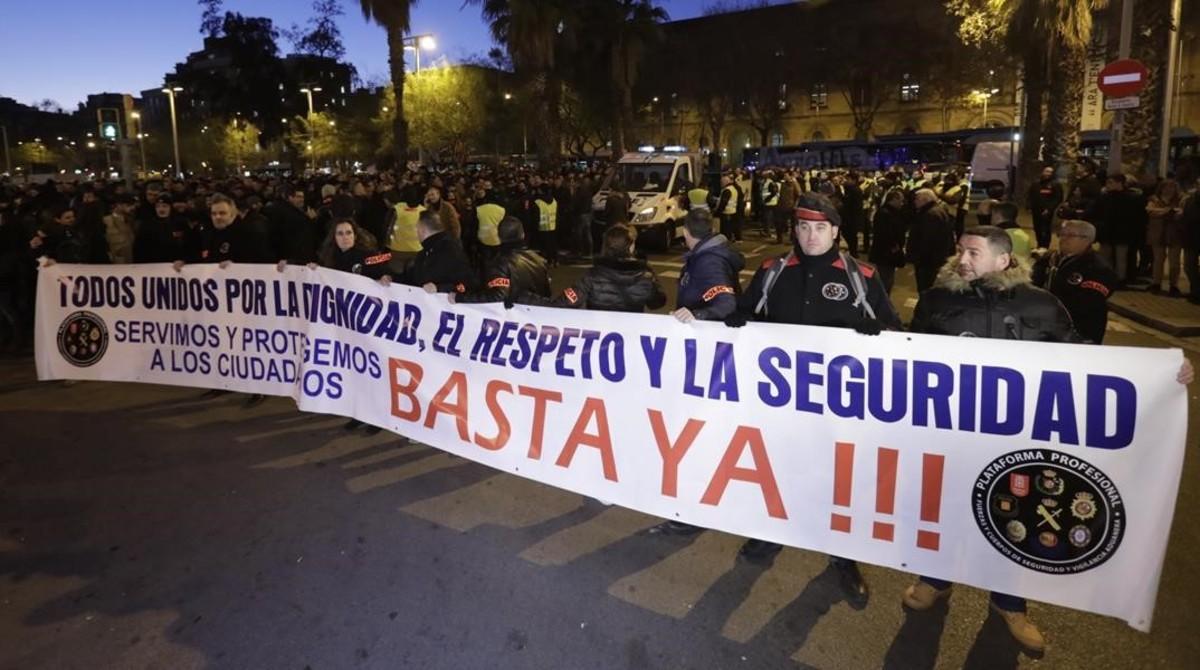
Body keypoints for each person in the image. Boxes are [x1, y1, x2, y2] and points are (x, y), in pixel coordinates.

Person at [902, 225, 1195, 651]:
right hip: (952, 435)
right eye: (960, 250)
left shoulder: (1041, 306)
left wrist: (1164, 375)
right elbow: (909, 353)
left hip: (1014, 443)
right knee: (945, 511)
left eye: (974, 252)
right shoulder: (937, 300)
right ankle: (934, 580)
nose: (962, 259)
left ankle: (1009, 603)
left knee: (1012, 519)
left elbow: (1083, 361)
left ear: (1003, 260)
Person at [724, 194, 900, 606]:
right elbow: (750, 313)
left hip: (840, 406)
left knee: (840, 482)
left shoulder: (862, 276)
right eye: (803, 227)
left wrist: (880, 331)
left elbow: (895, 329)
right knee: (778, 470)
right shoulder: (773, 271)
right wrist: (739, 319)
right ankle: (771, 534)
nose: (810, 235)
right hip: (782, 403)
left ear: (836, 231)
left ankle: (843, 556)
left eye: (820, 227)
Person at [543, 224, 666, 312]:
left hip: (600, 338)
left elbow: (563, 303)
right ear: (631, 247)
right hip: (631, 337)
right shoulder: (645, 276)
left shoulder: (592, 276)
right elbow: (658, 302)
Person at [1032, 220, 1118, 343]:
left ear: (1087, 239)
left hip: (1078, 332)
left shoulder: (1097, 268)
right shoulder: (1048, 259)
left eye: (1071, 235)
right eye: (1062, 234)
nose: (1063, 239)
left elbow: (1088, 303)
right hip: (1044, 328)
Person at [455, 216, 551, 306]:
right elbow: (546, 292)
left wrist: (462, 298)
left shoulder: (499, 263)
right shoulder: (539, 259)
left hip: (515, 317)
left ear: (499, 236)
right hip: (535, 315)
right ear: (523, 234)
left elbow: (497, 296)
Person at [404, 210, 477, 296]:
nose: (416, 234)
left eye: (417, 229)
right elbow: (414, 278)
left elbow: (468, 284)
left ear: (422, 230)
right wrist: (392, 278)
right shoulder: (425, 252)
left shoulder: (451, 251)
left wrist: (439, 288)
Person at [1094, 174, 1143, 284]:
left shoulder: (1131, 198)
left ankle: (1120, 279)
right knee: (1105, 257)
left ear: (1119, 183)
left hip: (1122, 232)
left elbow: (1135, 216)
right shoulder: (1104, 197)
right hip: (1107, 232)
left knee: (1121, 258)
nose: (1108, 185)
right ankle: (1107, 277)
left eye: (1111, 182)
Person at [906, 188, 956, 292]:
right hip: (935, 259)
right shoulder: (937, 211)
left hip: (928, 262)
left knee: (925, 288)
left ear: (925, 200)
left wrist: (917, 257)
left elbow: (926, 240)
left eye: (917, 199)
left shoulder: (930, 215)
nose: (915, 201)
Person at [1145, 178, 1185, 297]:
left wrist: (1167, 212)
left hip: (1174, 234)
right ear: (1161, 188)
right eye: (1166, 187)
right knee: (1158, 260)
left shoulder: (1180, 199)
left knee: (1174, 261)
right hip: (1158, 232)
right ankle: (1156, 283)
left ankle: (1174, 285)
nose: (1169, 190)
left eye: (1172, 187)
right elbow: (1150, 211)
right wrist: (1167, 211)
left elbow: (1181, 212)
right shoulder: (1154, 199)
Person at [868, 187, 908, 294]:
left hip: (888, 252)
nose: (902, 203)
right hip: (886, 253)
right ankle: (882, 302)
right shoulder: (885, 214)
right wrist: (893, 247)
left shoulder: (891, 212)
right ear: (894, 199)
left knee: (887, 278)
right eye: (900, 200)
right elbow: (884, 234)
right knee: (885, 279)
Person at [1027, 166, 1063, 249]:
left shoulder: (1055, 184)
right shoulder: (1036, 183)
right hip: (1036, 210)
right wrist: (1028, 206)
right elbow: (1030, 195)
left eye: (1050, 172)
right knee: (1037, 229)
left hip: (1047, 212)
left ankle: (1045, 246)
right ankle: (1039, 245)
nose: (1048, 173)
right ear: (1043, 172)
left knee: (1045, 230)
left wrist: (1049, 209)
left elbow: (1058, 198)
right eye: (1046, 171)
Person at [102, 195, 138, 264]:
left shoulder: (131, 221)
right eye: (128, 205)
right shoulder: (106, 221)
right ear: (119, 205)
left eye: (132, 206)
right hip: (114, 262)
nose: (132, 208)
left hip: (130, 261)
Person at [716, 174, 739, 242]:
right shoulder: (733, 189)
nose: (721, 184)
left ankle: (726, 241)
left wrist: (718, 212)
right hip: (732, 211)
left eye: (721, 182)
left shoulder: (727, 190)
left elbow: (723, 203)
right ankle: (730, 238)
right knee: (730, 228)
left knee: (725, 229)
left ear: (725, 182)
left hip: (726, 212)